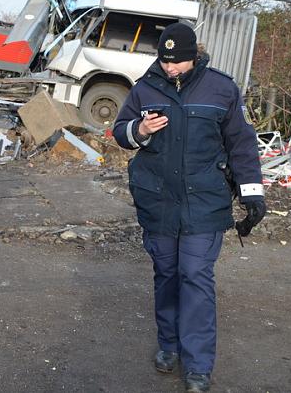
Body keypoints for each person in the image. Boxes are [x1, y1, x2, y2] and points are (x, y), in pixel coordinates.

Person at [113, 23, 265, 393]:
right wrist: (141, 130)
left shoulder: (221, 88)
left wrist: (251, 194)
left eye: (178, 62)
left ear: (194, 55)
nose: (171, 69)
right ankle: (168, 345)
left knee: (195, 276)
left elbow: (242, 145)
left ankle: (197, 365)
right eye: (165, 61)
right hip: (159, 201)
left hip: (205, 202)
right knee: (166, 274)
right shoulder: (145, 88)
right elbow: (120, 131)